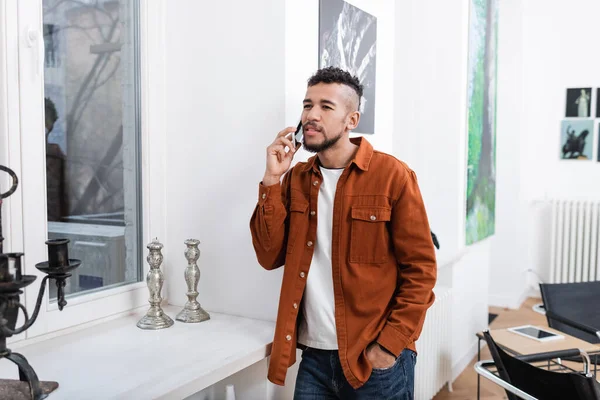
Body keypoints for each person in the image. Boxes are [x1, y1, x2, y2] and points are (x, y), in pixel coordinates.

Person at [249, 67, 437, 399]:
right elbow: (268, 256)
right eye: (307, 105)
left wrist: (388, 347)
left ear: (351, 120)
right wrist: (271, 180)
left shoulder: (393, 176)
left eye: (325, 107)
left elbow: (421, 272)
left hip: (375, 359)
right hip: (315, 357)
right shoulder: (296, 180)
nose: (311, 115)